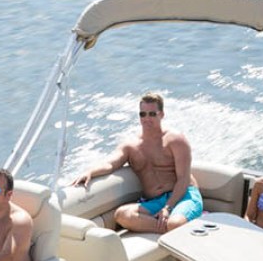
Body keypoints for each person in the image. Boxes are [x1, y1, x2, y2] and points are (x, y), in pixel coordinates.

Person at [71, 92, 203, 235]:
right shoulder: (131, 145)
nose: (147, 119)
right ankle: (169, 228)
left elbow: (183, 179)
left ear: (162, 114)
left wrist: (167, 208)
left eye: (152, 114)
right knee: (122, 215)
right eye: (143, 114)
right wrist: (90, 172)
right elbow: (110, 164)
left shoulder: (175, 140)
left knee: (174, 223)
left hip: (184, 196)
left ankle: (173, 225)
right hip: (154, 201)